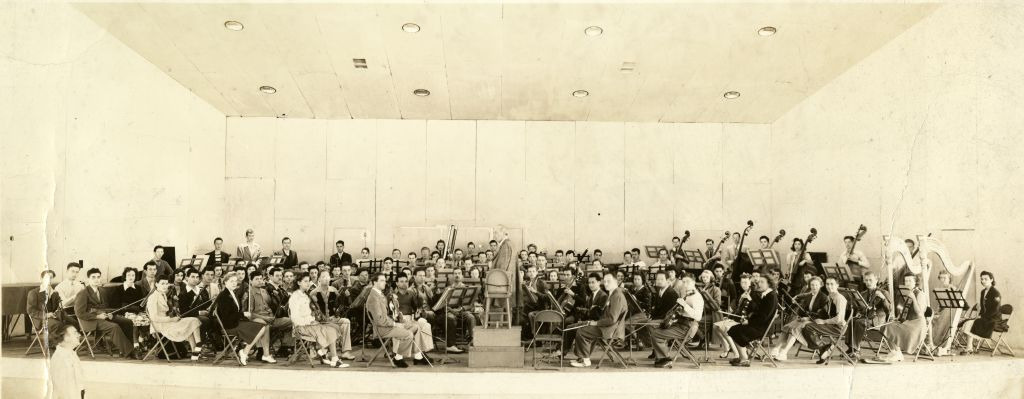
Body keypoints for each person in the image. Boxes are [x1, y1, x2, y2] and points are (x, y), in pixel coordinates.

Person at [289, 273, 351, 368]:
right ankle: (334, 359)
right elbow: (295, 318)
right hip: (301, 327)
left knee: (334, 327)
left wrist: (313, 318)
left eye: (308, 281)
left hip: (310, 324)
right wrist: (311, 321)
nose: (308, 283)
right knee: (330, 330)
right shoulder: (295, 296)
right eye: (305, 281)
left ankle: (323, 351)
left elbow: (309, 312)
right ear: (298, 283)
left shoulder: (305, 295)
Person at [74, 268, 137, 358]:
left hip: (102, 317)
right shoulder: (83, 293)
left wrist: (109, 313)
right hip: (89, 321)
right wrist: (98, 316)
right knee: (114, 327)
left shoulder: (102, 291)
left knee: (127, 322)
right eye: (93, 277)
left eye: (98, 277)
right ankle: (130, 352)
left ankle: (125, 350)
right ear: (88, 279)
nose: (96, 279)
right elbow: (79, 313)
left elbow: (105, 307)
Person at [214, 272, 272, 365]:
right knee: (261, 328)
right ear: (225, 282)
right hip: (229, 326)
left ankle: (245, 352)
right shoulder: (223, 296)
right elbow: (227, 316)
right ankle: (245, 352)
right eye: (231, 281)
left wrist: (243, 315)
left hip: (235, 322)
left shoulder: (232, 293)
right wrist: (243, 314)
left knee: (263, 327)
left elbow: (234, 313)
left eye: (235, 281)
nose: (234, 283)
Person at [570, 273, 627, 368]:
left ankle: (585, 360)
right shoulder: (613, 294)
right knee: (581, 326)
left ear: (616, 282)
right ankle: (582, 357)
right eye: (604, 281)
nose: (606, 283)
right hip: (607, 327)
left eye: (609, 281)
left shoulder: (617, 296)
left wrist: (596, 323)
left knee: (582, 331)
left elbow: (612, 319)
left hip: (610, 330)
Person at [366, 273, 423, 368]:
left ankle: (399, 355)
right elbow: (379, 320)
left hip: (387, 325)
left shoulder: (379, 294)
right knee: (408, 334)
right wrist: (395, 324)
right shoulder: (373, 297)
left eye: (385, 280)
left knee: (415, 327)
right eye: (382, 280)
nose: (385, 283)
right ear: (374, 282)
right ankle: (398, 358)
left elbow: (387, 314)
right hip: (382, 328)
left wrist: (398, 319)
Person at [649, 275, 703, 368]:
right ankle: (661, 357)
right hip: (681, 323)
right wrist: (680, 310)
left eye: (688, 282)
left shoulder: (696, 297)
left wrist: (684, 305)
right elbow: (686, 312)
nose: (685, 284)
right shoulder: (689, 294)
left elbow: (698, 317)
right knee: (653, 326)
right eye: (684, 282)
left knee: (656, 334)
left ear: (694, 282)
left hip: (687, 327)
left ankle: (665, 358)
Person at [147, 276, 204, 361]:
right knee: (192, 322)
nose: (165, 286)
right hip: (159, 325)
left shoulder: (162, 295)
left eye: (166, 284)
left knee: (193, 320)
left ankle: (196, 348)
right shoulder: (153, 297)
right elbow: (154, 317)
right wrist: (171, 319)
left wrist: (173, 317)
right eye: (162, 283)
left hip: (168, 322)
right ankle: (196, 349)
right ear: (156, 284)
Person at [771, 276, 827, 361]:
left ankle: (784, 352)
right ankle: (776, 348)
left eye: (816, 285)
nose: (814, 287)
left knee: (795, 329)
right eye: (812, 285)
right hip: (806, 319)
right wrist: (800, 316)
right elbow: (804, 309)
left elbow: (822, 314)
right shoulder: (809, 296)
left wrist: (807, 318)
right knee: (787, 326)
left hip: (816, 321)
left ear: (820, 285)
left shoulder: (823, 297)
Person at [727, 276, 778, 367]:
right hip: (759, 325)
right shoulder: (767, 295)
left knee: (735, 330)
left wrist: (749, 322)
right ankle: (743, 357)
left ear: (769, 284)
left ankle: (744, 359)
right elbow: (758, 312)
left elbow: (763, 317)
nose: (759, 284)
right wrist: (747, 319)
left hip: (761, 328)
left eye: (762, 282)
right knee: (733, 329)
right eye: (759, 282)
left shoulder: (771, 297)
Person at [242, 273, 294, 357]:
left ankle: (285, 346)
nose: (259, 281)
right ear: (251, 281)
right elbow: (248, 314)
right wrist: (265, 318)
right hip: (257, 320)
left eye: (260, 279)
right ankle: (261, 350)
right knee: (261, 323)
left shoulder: (264, 291)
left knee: (293, 321)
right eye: (257, 279)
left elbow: (271, 306)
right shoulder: (249, 293)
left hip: (271, 318)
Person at [879, 274, 927, 362]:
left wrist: (914, 298)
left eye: (910, 281)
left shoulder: (920, 294)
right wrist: (899, 318)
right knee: (885, 326)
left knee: (889, 327)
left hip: (917, 324)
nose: (907, 283)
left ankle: (898, 353)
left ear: (915, 282)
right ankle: (894, 352)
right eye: (906, 281)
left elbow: (920, 314)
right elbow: (906, 310)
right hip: (908, 322)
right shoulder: (908, 292)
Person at [801, 277, 849, 364]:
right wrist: (809, 318)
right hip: (831, 325)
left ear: (837, 285)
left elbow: (839, 319)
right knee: (805, 326)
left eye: (832, 284)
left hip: (838, 327)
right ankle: (824, 349)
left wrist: (824, 321)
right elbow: (823, 313)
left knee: (808, 328)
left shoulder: (839, 298)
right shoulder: (829, 296)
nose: (829, 286)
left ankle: (823, 348)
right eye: (827, 284)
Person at [848, 271, 891, 359]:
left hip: (878, 320)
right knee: (852, 320)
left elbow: (889, 310)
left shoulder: (884, 292)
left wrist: (883, 299)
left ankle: (856, 349)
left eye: (870, 280)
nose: (868, 282)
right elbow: (861, 309)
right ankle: (851, 348)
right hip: (867, 318)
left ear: (876, 280)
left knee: (860, 322)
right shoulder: (863, 293)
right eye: (866, 280)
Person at [714, 273, 751, 359]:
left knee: (726, 328)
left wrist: (750, 299)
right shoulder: (743, 293)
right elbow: (738, 310)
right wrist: (730, 317)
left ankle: (736, 352)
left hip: (744, 321)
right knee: (716, 326)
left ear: (750, 283)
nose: (743, 285)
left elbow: (750, 310)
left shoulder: (752, 294)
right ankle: (726, 347)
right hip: (737, 319)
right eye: (742, 282)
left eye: (746, 282)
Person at [963, 271, 1001, 353]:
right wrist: (979, 315)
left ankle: (969, 347)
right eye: (982, 279)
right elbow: (983, 308)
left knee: (975, 322)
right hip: (985, 317)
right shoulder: (983, 292)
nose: (983, 281)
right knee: (969, 322)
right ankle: (969, 347)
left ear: (991, 279)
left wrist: (982, 317)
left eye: (985, 279)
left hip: (993, 318)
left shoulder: (996, 293)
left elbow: (995, 310)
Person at [27, 270, 64, 349]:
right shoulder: (33, 293)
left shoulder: (55, 293)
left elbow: (58, 307)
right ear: (41, 279)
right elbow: (31, 311)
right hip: (40, 319)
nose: (49, 280)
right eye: (47, 278)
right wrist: (46, 315)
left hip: (53, 317)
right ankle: (58, 345)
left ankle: (69, 344)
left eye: (51, 278)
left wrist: (58, 311)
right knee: (56, 324)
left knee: (72, 321)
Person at [112, 267, 147, 348]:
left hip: (137, 312)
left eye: (133, 275)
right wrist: (128, 308)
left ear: (135, 277)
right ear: (125, 276)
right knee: (134, 321)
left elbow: (141, 304)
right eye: (128, 275)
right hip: (124, 313)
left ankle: (141, 339)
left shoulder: (138, 288)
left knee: (148, 320)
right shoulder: (119, 289)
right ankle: (136, 345)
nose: (131, 277)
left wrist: (138, 308)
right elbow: (115, 305)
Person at [47, 325, 85, 399]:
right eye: (75, 333)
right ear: (65, 337)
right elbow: (61, 391)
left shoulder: (71, 353)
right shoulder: (60, 358)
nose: (79, 335)